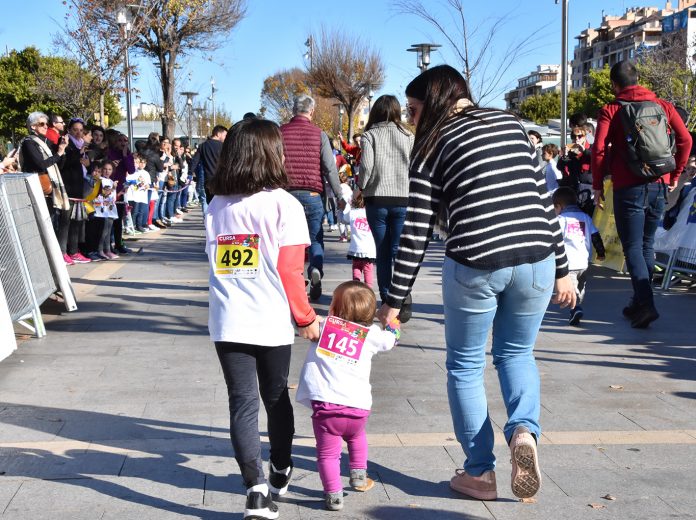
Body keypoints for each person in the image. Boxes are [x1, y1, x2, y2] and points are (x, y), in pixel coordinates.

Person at [378, 65, 576, 501]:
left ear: (432, 100)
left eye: (413, 110)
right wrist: (563, 270)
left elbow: (416, 230)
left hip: (476, 261)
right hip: (538, 259)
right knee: (517, 353)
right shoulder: (511, 125)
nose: (412, 121)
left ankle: (479, 473)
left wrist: (393, 300)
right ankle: (523, 431)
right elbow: (543, 203)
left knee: (465, 366)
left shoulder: (432, 144)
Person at [205, 118, 321, 520]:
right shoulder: (284, 204)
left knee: (242, 403)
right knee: (275, 397)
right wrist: (305, 317)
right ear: (271, 154)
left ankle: (254, 490)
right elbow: (291, 271)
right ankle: (280, 468)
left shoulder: (216, 205)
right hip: (271, 320)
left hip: (227, 320)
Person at [592, 60, 692, 328]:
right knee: (646, 245)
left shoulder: (612, 109)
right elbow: (686, 140)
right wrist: (675, 173)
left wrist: (598, 185)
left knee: (633, 247)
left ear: (614, 85)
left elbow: (599, 149)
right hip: (659, 184)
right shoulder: (663, 105)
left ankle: (646, 304)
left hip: (629, 187)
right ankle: (639, 303)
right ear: (637, 79)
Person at [296, 281, 399, 511]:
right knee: (357, 437)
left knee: (328, 455)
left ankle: (333, 495)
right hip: (358, 407)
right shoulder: (371, 334)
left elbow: (304, 323)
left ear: (334, 308)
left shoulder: (324, 326)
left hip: (327, 409)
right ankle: (359, 476)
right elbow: (391, 340)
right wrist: (393, 324)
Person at [280, 94, 342, 302]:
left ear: (293, 109)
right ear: (312, 111)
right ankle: (315, 269)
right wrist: (339, 194)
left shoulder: (280, 133)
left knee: (288, 242)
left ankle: (294, 281)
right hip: (313, 194)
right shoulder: (319, 134)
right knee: (315, 238)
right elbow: (329, 168)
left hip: (287, 195)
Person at [358, 95, 414, 318]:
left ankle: (387, 297)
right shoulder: (408, 135)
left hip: (377, 199)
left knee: (381, 252)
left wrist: (360, 187)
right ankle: (404, 293)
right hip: (403, 197)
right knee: (400, 250)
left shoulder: (370, 135)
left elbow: (367, 167)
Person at [553, 187, 606, 326]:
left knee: (572, 289)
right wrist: (601, 252)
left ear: (559, 206)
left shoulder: (561, 219)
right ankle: (577, 302)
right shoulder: (586, 218)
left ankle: (575, 308)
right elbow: (595, 236)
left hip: (568, 264)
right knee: (580, 287)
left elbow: (554, 239)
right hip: (584, 262)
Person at [17, 112, 71, 228]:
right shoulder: (29, 143)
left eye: (46, 124)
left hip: (50, 188)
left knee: (53, 222)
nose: (46, 126)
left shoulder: (45, 143)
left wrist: (62, 149)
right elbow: (41, 165)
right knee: (44, 224)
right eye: (42, 124)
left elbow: (59, 165)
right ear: (33, 126)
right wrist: (59, 153)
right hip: (38, 187)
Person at [58, 117, 93, 264]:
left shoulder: (81, 146)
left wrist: (88, 163)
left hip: (79, 188)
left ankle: (74, 251)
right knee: (66, 222)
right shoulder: (66, 143)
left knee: (77, 221)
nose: (78, 133)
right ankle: (62, 252)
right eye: (75, 130)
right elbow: (63, 164)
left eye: (81, 130)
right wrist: (79, 153)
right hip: (69, 188)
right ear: (69, 130)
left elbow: (85, 166)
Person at [340, 189, 376, 287]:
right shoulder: (371, 212)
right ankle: (368, 289)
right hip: (369, 250)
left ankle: (356, 287)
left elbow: (344, 220)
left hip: (355, 248)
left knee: (356, 267)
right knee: (368, 269)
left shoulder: (352, 213)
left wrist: (347, 205)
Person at [191, 124, 228, 212]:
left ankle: (208, 223)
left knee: (209, 203)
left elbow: (195, 161)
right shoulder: (224, 146)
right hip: (221, 180)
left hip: (208, 179)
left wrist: (190, 173)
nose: (226, 138)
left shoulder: (203, 146)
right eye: (225, 135)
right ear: (218, 134)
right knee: (222, 204)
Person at [92, 177, 120, 260]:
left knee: (108, 231)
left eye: (109, 169)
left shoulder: (111, 181)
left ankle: (108, 250)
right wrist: (112, 189)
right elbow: (102, 194)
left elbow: (113, 197)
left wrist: (114, 189)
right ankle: (100, 250)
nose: (107, 171)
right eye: (105, 169)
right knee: (103, 232)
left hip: (110, 210)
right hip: (101, 210)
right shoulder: (100, 180)